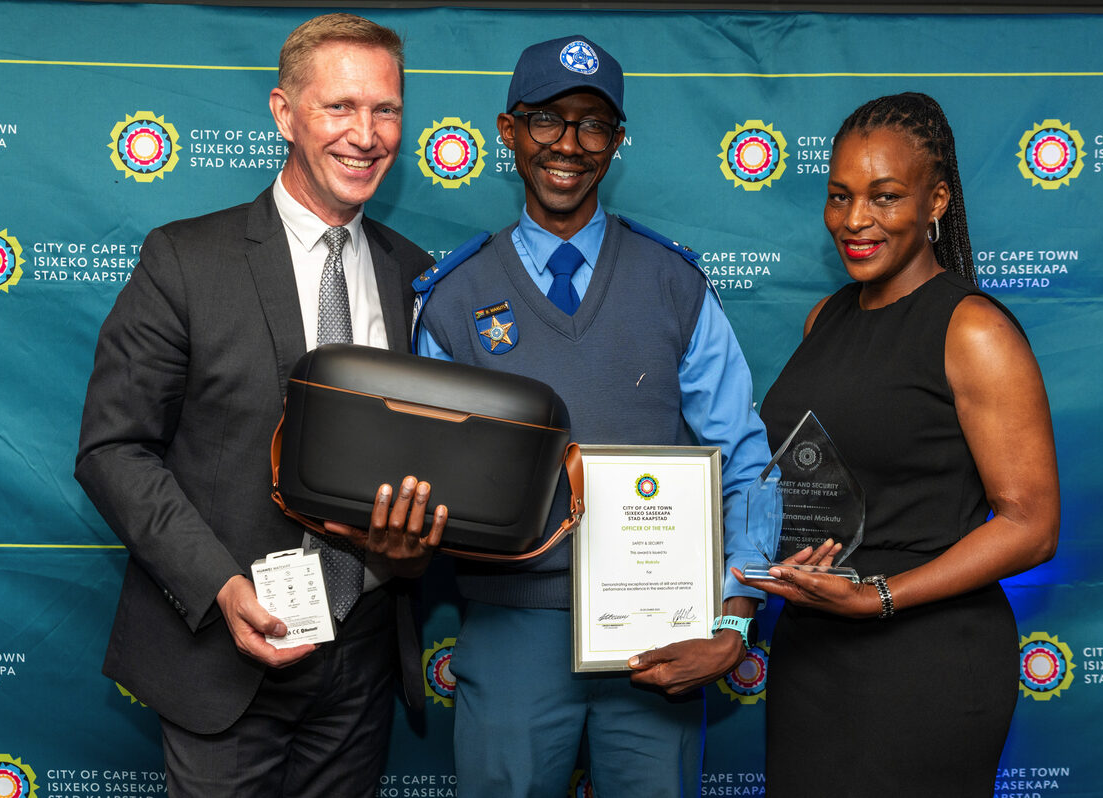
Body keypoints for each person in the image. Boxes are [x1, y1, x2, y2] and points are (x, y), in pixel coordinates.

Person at [74, 14, 446, 797]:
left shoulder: (414, 275)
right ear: (283, 112)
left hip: (362, 659)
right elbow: (113, 449)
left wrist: (412, 553)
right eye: (339, 107)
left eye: (385, 109)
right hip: (222, 652)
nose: (367, 134)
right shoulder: (184, 259)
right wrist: (219, 585)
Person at [412, 35, 786, 798]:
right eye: (547, 119)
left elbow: (744, 458)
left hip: (661, 636)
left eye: (592, 125)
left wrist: (737, 618)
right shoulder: (451, 298)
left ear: (616, 144)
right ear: (507, 130)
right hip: (513, 631)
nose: (568, 145)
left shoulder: (673, 282)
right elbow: (427, 478)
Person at [736, 92, 1060, 796]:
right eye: (840, 196)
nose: (855, 220)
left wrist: (879, 596)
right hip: (814, 647)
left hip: (925, 660)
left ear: (937, 199)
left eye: (885, 197)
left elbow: (1031, 527)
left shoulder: (971, 330)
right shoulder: (827, 317)